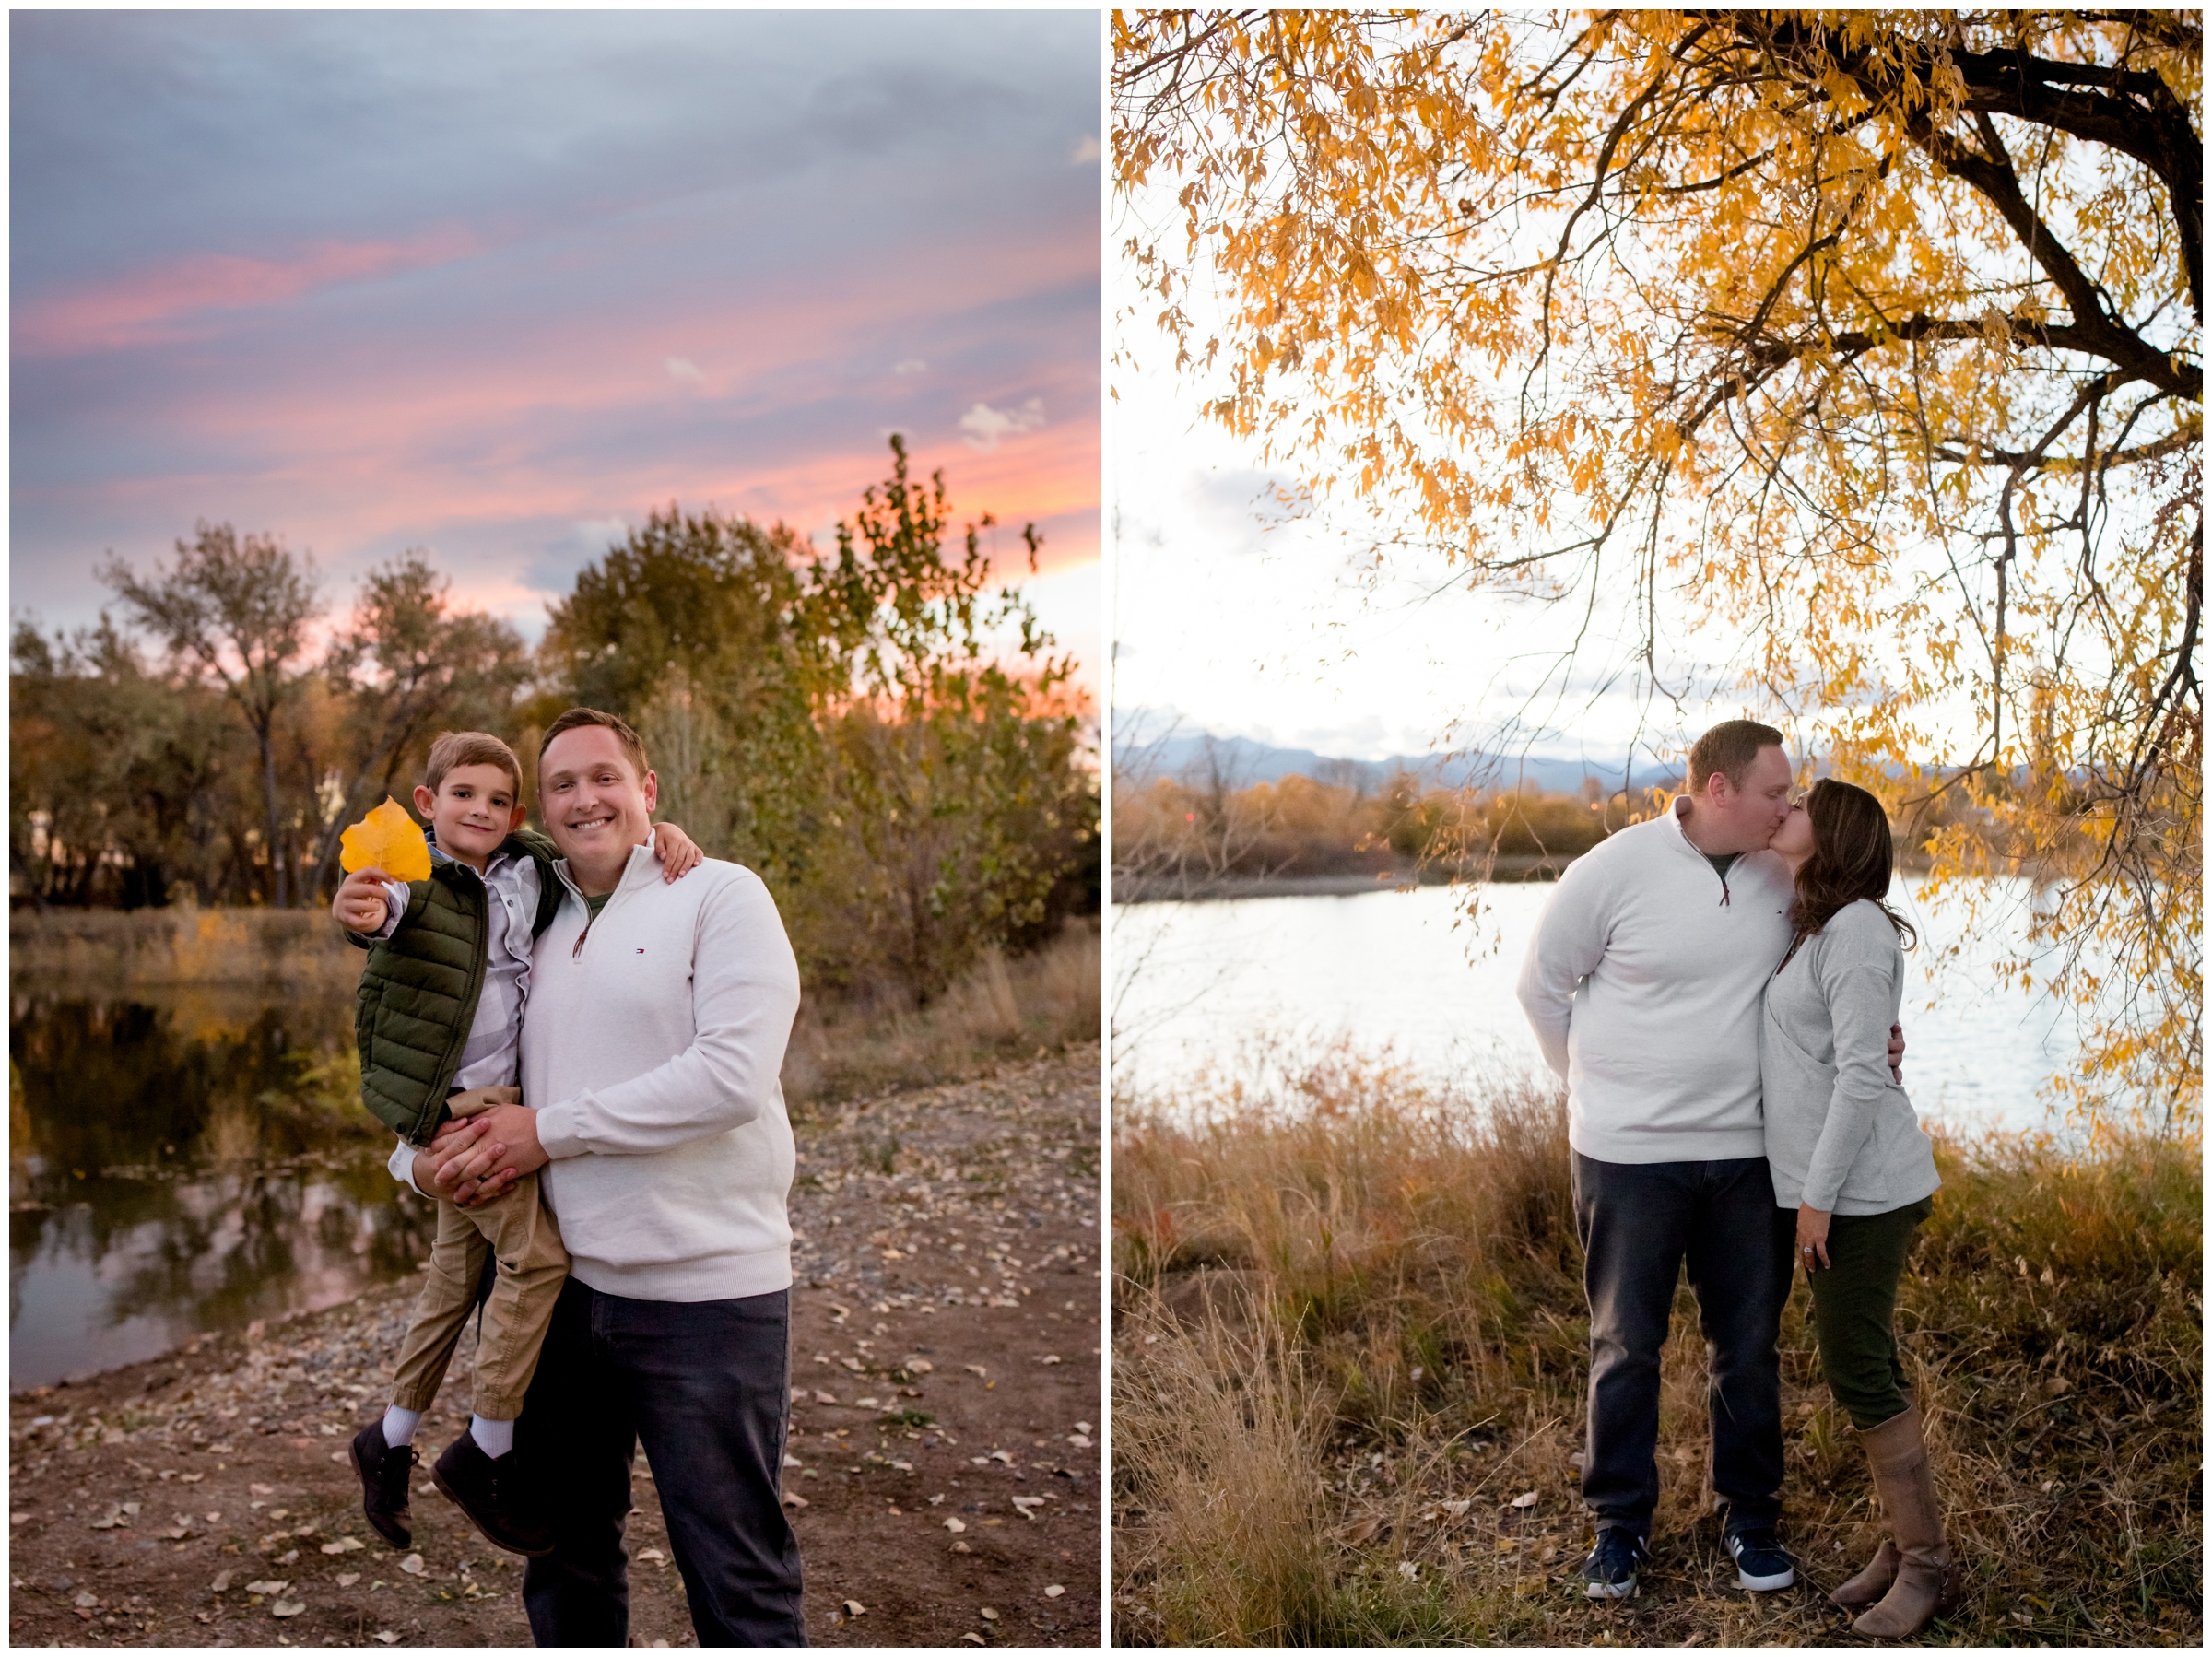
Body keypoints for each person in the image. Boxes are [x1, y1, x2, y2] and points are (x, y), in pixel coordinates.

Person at [407, 707, 807, 1648]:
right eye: (562, 785)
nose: (585, 796)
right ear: (539, 811)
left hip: (706, 1300)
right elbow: (441, 1064)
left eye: (605, 776)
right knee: (568, 1565)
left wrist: (547, 1132)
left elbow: (730, 1080)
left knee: (736, 1575)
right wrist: (420, 1160)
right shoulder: (524, 916)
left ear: (647, 790)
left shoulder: (722, 895)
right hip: (561, 1301)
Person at [1515, 719, 1905, 1601]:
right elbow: (1539, 988)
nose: (1788, 806)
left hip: (1748, 1156)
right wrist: (1596, 1089)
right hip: (1628, 1157)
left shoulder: (1787, 873)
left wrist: (1874, 1039)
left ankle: (1752, 1522)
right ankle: (1619, 1530)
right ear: (1719, 789)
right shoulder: (1611, 871)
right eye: (1775, 791)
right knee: (1625, 1345)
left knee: (1747, 1346)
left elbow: (1832, 987)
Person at [333, 731, 700, 1557]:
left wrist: (663, 836)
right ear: (429, 805)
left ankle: (389, 1436)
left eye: (498, 800)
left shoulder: (528, 869)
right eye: (463, 795)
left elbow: (600, 843)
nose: (481, 812)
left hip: (505, 1100)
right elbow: (375, 912)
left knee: (456, 1275)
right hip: (459, 1111)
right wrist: (354, 910)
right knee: (534, 1263)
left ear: (518, 814)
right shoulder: (415, 880)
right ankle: (487, 1448)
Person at [1763, 779, 1956, 1637]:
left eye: (1801, 807)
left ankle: (1927, 1569)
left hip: (1864, 1193)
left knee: (1855, 1368)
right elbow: (1847, 1050)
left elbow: (1861, 1074)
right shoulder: (1821, 927)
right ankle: (1901, 1546)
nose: (1787, 814)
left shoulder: (1855, 932)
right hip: (1845, 1187)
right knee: (1867, 1359)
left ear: (1832, 833)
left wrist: (1817, 1200)